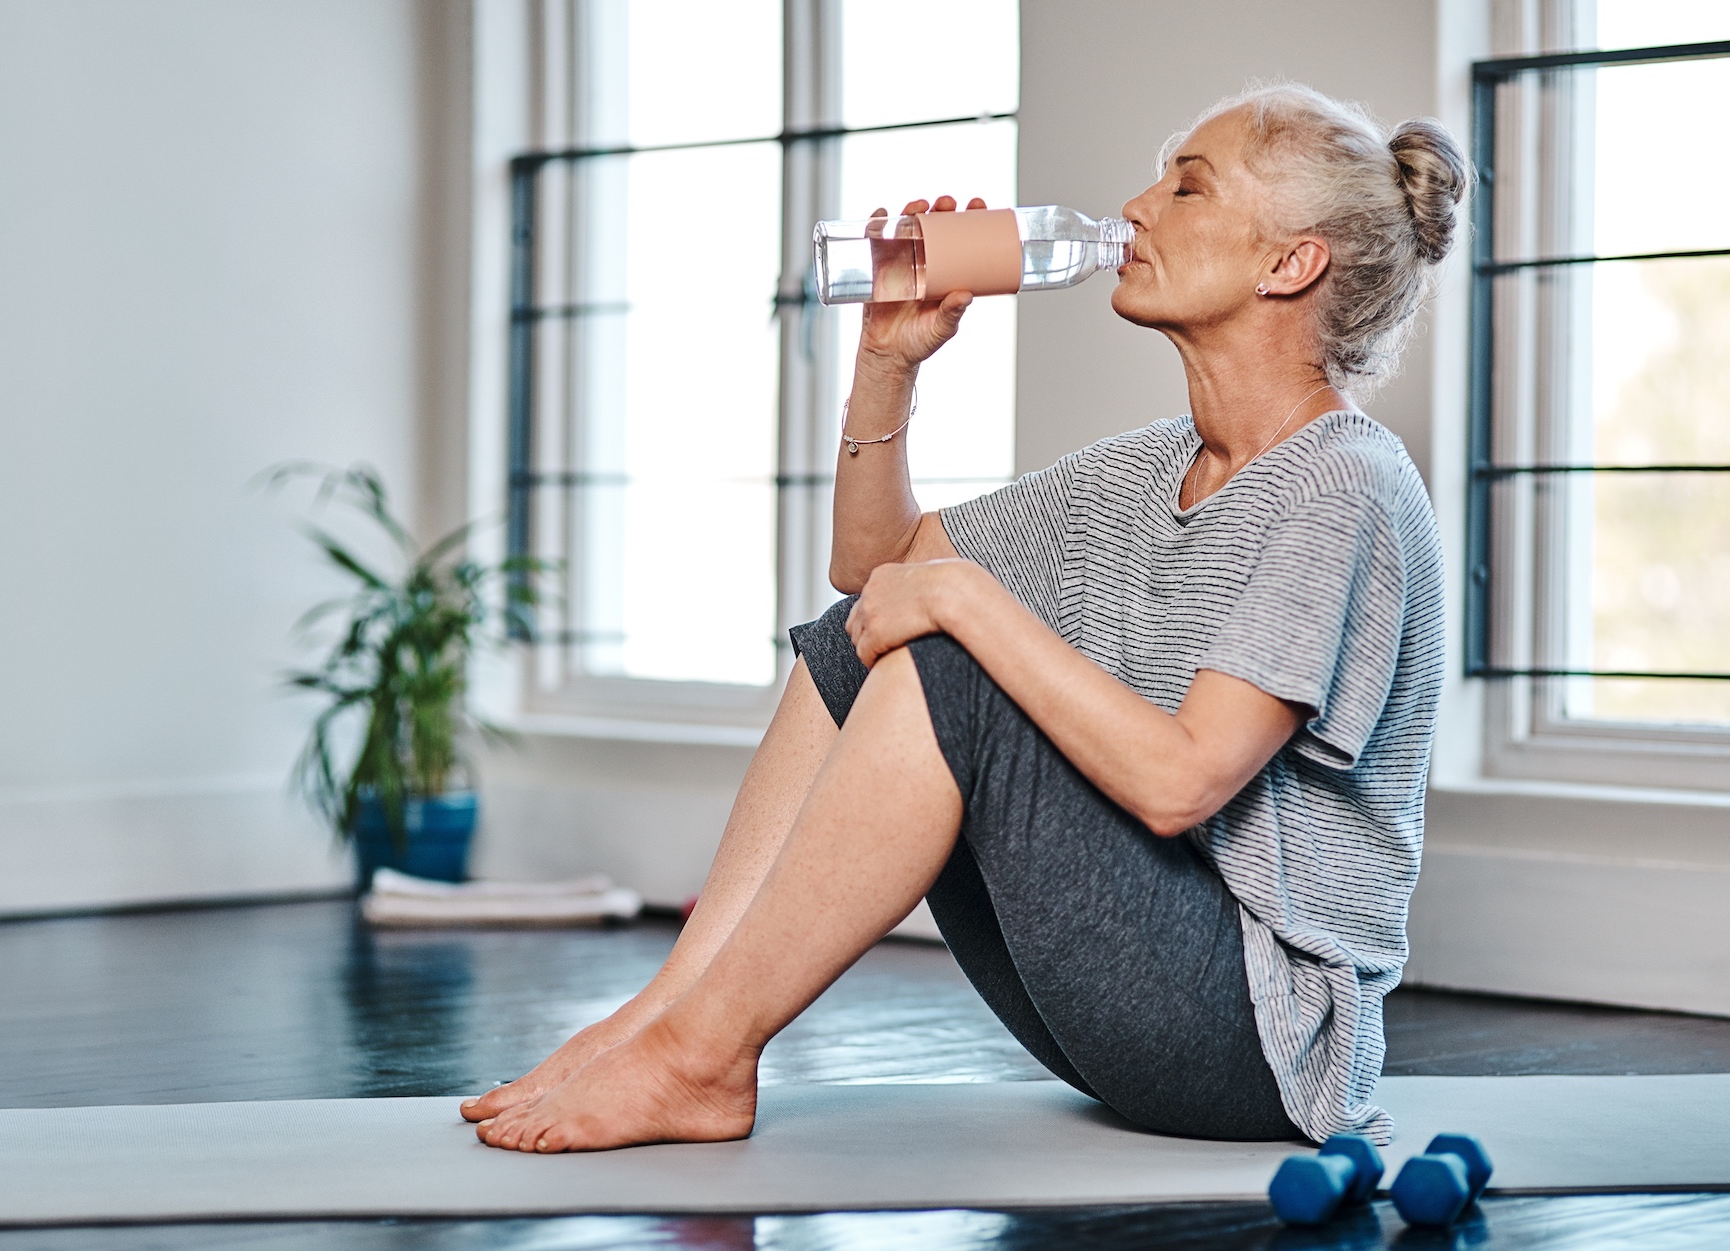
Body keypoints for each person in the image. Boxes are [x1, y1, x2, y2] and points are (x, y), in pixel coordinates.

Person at [461, 81, 1466, 1152]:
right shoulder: (1144, 472)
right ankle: (665, 1019)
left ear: (1287, 263)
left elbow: (1181, 783)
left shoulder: (1341, 485)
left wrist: (962, 602)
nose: (1133, 207)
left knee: (950, 655)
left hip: (1252, 1045)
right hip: (1109, 1006)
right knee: (866, 640)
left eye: (1185, 187)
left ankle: (700, 1061)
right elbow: (873, 576)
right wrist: (887, 364)